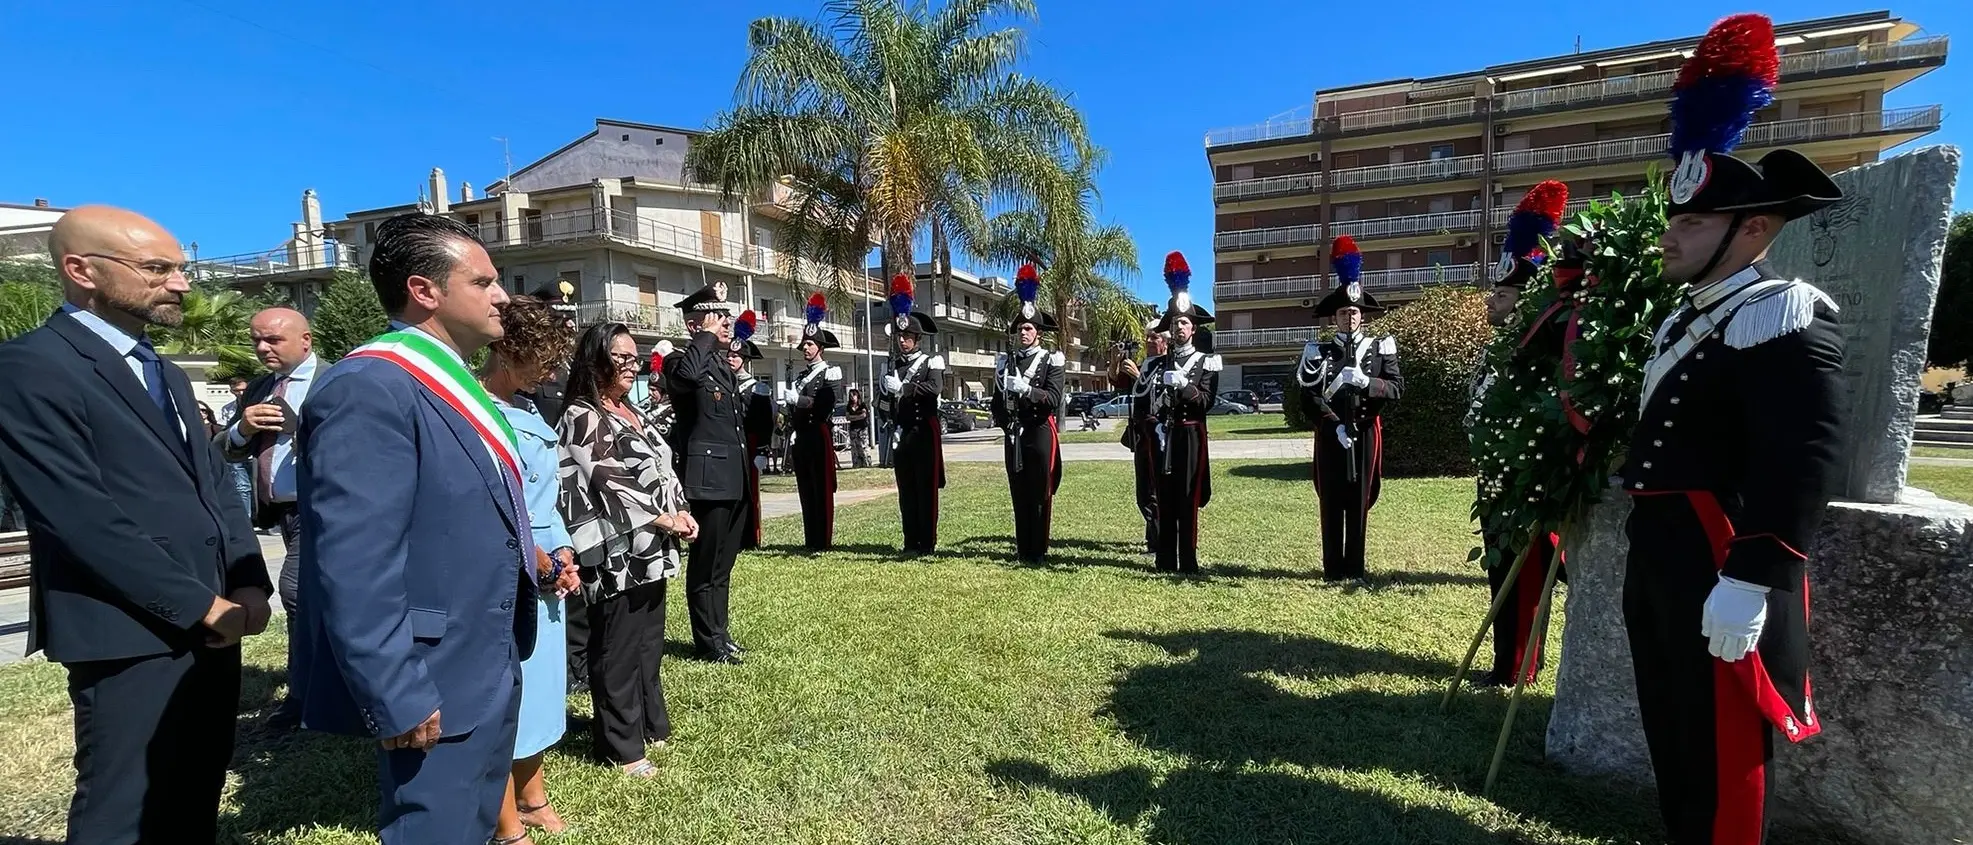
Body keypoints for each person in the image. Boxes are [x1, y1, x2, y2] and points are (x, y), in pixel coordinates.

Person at [1620, 16, 1846, 844]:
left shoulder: (1780, 313)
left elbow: (1799, 457)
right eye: (1673, 219)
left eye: (1688, 223)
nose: (1668, 235)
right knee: (1672, 719)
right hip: (1663, 545)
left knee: (1722, 743)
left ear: (1750, 229)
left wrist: (1754, 577)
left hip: (1718, 550)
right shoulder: (1689, 317)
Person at [0, 205, 272, 844]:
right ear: (80, 270)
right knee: (124, 808)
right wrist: (198, 606)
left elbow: (212, 487)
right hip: (125, 628)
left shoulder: (166, 372)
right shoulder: (31, 367)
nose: (180, 284)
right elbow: (78, 517)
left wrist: (247, 579)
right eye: (156, 269)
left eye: (181, 268)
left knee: (195, 787)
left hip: (216, 618)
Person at [295, 213, 533, 845]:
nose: (503, 296)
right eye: (483, 282)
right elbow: (353, 561)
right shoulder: (370, 385)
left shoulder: (448, 383)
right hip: (430, 672)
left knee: (472, 823)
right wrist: (393, 687)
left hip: (483, 656)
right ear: (425, 291)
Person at [558, 321, 698, 779]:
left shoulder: (631, 411)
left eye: (633, 357)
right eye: (620, 357)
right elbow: (607, 478)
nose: (630, 365)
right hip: (615, 549)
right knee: (616, 646)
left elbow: (663, 468)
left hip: (651, 547)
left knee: (646, 642)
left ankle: (647, 724)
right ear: (595, 360)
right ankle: (620, 747)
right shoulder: (583, 414)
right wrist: (663, 518)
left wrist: (681, 510)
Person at [477, 297, 582, 845]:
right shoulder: (476, 408)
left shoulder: (530, 407)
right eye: (539, 356)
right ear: (503, 349)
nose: (550, 370)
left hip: (546, 567)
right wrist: (537, 556)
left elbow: (547, 498)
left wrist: (564, 553)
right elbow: (497, 501)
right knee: (505, 697)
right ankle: (504, 822)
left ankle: (532, 793)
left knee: (541, 688)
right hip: (506, 568)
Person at [1470, 180, 1570, 688]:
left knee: (1526, 574)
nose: (1492, 300)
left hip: (1525, 480)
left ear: (1523, 298)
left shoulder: (1538, 356)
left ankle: (1518, 668)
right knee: (1501, 573)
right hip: (1493, 478)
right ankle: (1505, 659)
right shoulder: (1500, 350)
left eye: (1501, 292)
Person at [220, 305, 320, 729]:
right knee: (318, 599)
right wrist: (243, 427)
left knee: (294, 590)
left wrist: (306, 431)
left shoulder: (339, 378)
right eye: (257, 339)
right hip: (283, 513)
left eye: (273, 340)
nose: (262, 348)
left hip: (328, 509)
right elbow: (229, 448)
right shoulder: (260, 387)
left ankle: (302, 699)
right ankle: (321, 687)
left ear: (305, 340)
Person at [1295, 235, 1403, 582]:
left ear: (1362, 315)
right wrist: (1331, 424)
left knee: (1358, 501)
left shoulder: (1381, 347)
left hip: (1365, 430)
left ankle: (1355, 568)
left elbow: (1396, 388)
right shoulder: (1318, 351)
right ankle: (1332, 569)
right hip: (1331, 434)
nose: (1349, 318)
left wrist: (1367, 383)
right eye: (1343, 313)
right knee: (1330, 499)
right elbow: (1308, 396)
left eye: (1354, 312)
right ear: (1334, 317)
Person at [662, 281, 749, 664]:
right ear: (695, 324)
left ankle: (720, 632)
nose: (726, 323)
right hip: (708, 480)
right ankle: (707, 641)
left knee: (723, 565)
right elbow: (683, 381)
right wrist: (706, 338)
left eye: (726, 316)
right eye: (718, 317)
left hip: (732, 476)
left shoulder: (719, 363)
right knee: (705, 565)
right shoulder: (680, 361)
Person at [1144, 252, 1220, 574]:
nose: (1180, 328)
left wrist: (1185, 387)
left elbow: (1206, 402)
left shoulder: (1207, 362)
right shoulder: (1158, 363)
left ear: (1193, 327)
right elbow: (1147, 404)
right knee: (1166, 496)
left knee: (1188, 498)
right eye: (1175, 323)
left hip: (1191, 433)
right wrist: (1155, 426)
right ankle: (1164, 560)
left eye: (1185, 323)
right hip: (1166, 435)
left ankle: (1188, 561)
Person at [990, 264, 1065, 565]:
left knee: (1039, 492)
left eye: (1029, 328)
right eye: (1020, 328)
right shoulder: (1005, 362)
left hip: (1039, 430)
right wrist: (1004, 423)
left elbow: (1053, 398)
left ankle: (1038, 548)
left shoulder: (1051, 360)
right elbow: (997, 401)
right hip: (1015, 433)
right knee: (1018, 490)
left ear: (1039, 334)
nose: (1023, 332)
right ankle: (1023, 548)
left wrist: (1026, 390)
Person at [876, 273, 947, 556]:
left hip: (924, 432)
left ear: (918, 338)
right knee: (906, 490)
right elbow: (883, 404)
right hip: (902, 433)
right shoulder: (893, 365)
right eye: (900, 335)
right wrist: (883, 396)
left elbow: (933, 388)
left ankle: (927, 543)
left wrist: (903, 388)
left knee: (925, 490)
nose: (903, 340)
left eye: (908, 336)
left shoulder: (931, 362)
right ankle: (910, 541)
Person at [783, 292, 844, 552]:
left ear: (820, 346)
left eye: (810, 344)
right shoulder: (800, 376)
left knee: (821, 489)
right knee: (806, 489)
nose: (806, 348)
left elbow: (826, 405)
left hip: (819, 435)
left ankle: (823, 540)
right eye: (804, 345)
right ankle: (811, 539)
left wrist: (800, 402)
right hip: (802, 437)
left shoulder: (830, 372)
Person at [1111, 321, 1169, 555]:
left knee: (1154, 491)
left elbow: (1161, 395)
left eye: (1154, 337)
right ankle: (1152, 537)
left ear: (1165, 341)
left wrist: (1138, 376)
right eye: (1147, 337)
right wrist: (1116, 360)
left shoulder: (1168, 365)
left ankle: (1159, 542)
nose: (1148, 341)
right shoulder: (1145, 364)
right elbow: (1117, 382)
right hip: (1140, 436)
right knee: (1143, 492)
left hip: (1157, 435)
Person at [727, 310, 776, 550]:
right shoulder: (724, 384)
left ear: (744, 359)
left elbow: (765, 421)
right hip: (731, 445)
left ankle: (751, 538)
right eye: (730, 354)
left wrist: (763, 451)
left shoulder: (758, 388)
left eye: (736, 356)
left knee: (750, 494)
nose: (731, 359)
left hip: (751, 443)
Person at [844, 388, 871, 468]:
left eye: (854, 395)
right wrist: (856, 417)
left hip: (862, 429)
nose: (852, 397)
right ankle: (856, 464)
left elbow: (863, 415)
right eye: (851, 396)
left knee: (863, 446)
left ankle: (866, 463)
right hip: (853, 429)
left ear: (857, 396)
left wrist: (854, 417)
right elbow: (847, 417)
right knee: (855, 447)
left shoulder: (862, 405)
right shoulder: (849, 406)